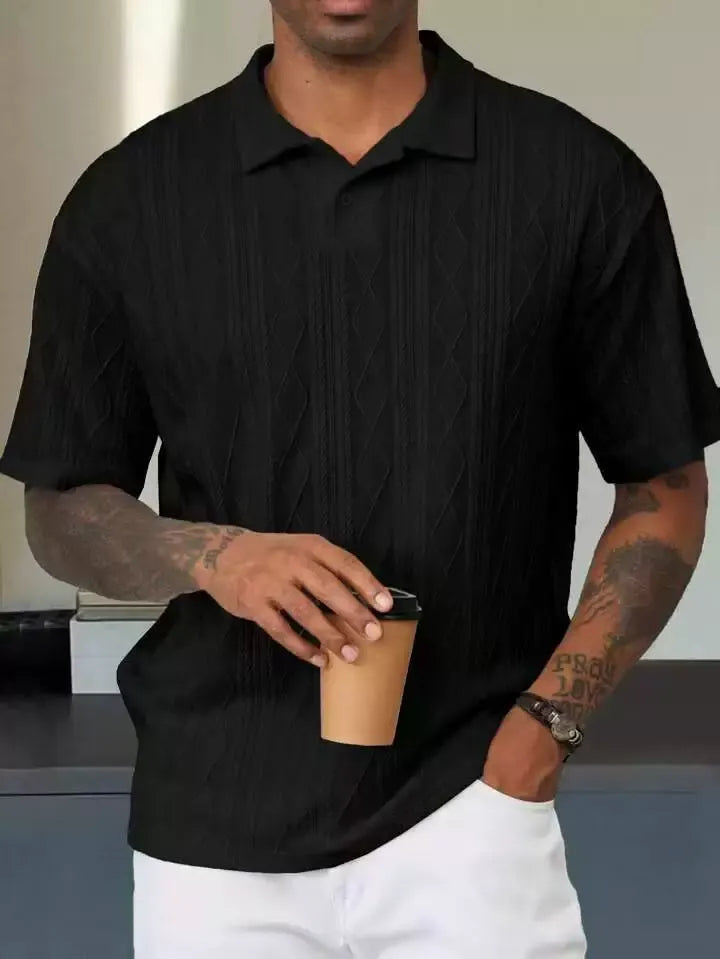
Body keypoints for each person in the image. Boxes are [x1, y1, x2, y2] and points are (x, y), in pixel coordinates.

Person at [3, 1, 719, 955]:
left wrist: (544, 732)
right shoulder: (131, 198)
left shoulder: (578, 179)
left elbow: (663, 489)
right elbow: (60, 507)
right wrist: (215, 556)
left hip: (474, 815)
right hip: (212, 835)